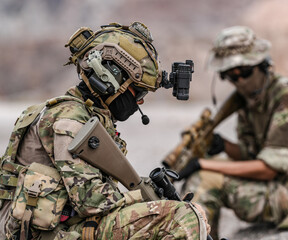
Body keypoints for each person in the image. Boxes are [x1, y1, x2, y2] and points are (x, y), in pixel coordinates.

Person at [0, 22, 209, 240]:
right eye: (137, 93)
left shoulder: (86, 115)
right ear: (110, 78)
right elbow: (91, 201)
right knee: (183, 217)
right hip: (46, 234)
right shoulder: (69, 119)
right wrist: (148, 200)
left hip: (60, 229)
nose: (141, 101)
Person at [178, 26, 288, 240]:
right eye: (229, 75)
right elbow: (254, 155)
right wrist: (222, 145)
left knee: (204, 178)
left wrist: (202, 164)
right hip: (277, 183)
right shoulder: (250, 99)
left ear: (263, 65)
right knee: (209, 163)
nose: (238, 81)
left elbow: (269, 168)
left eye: (244, 72)